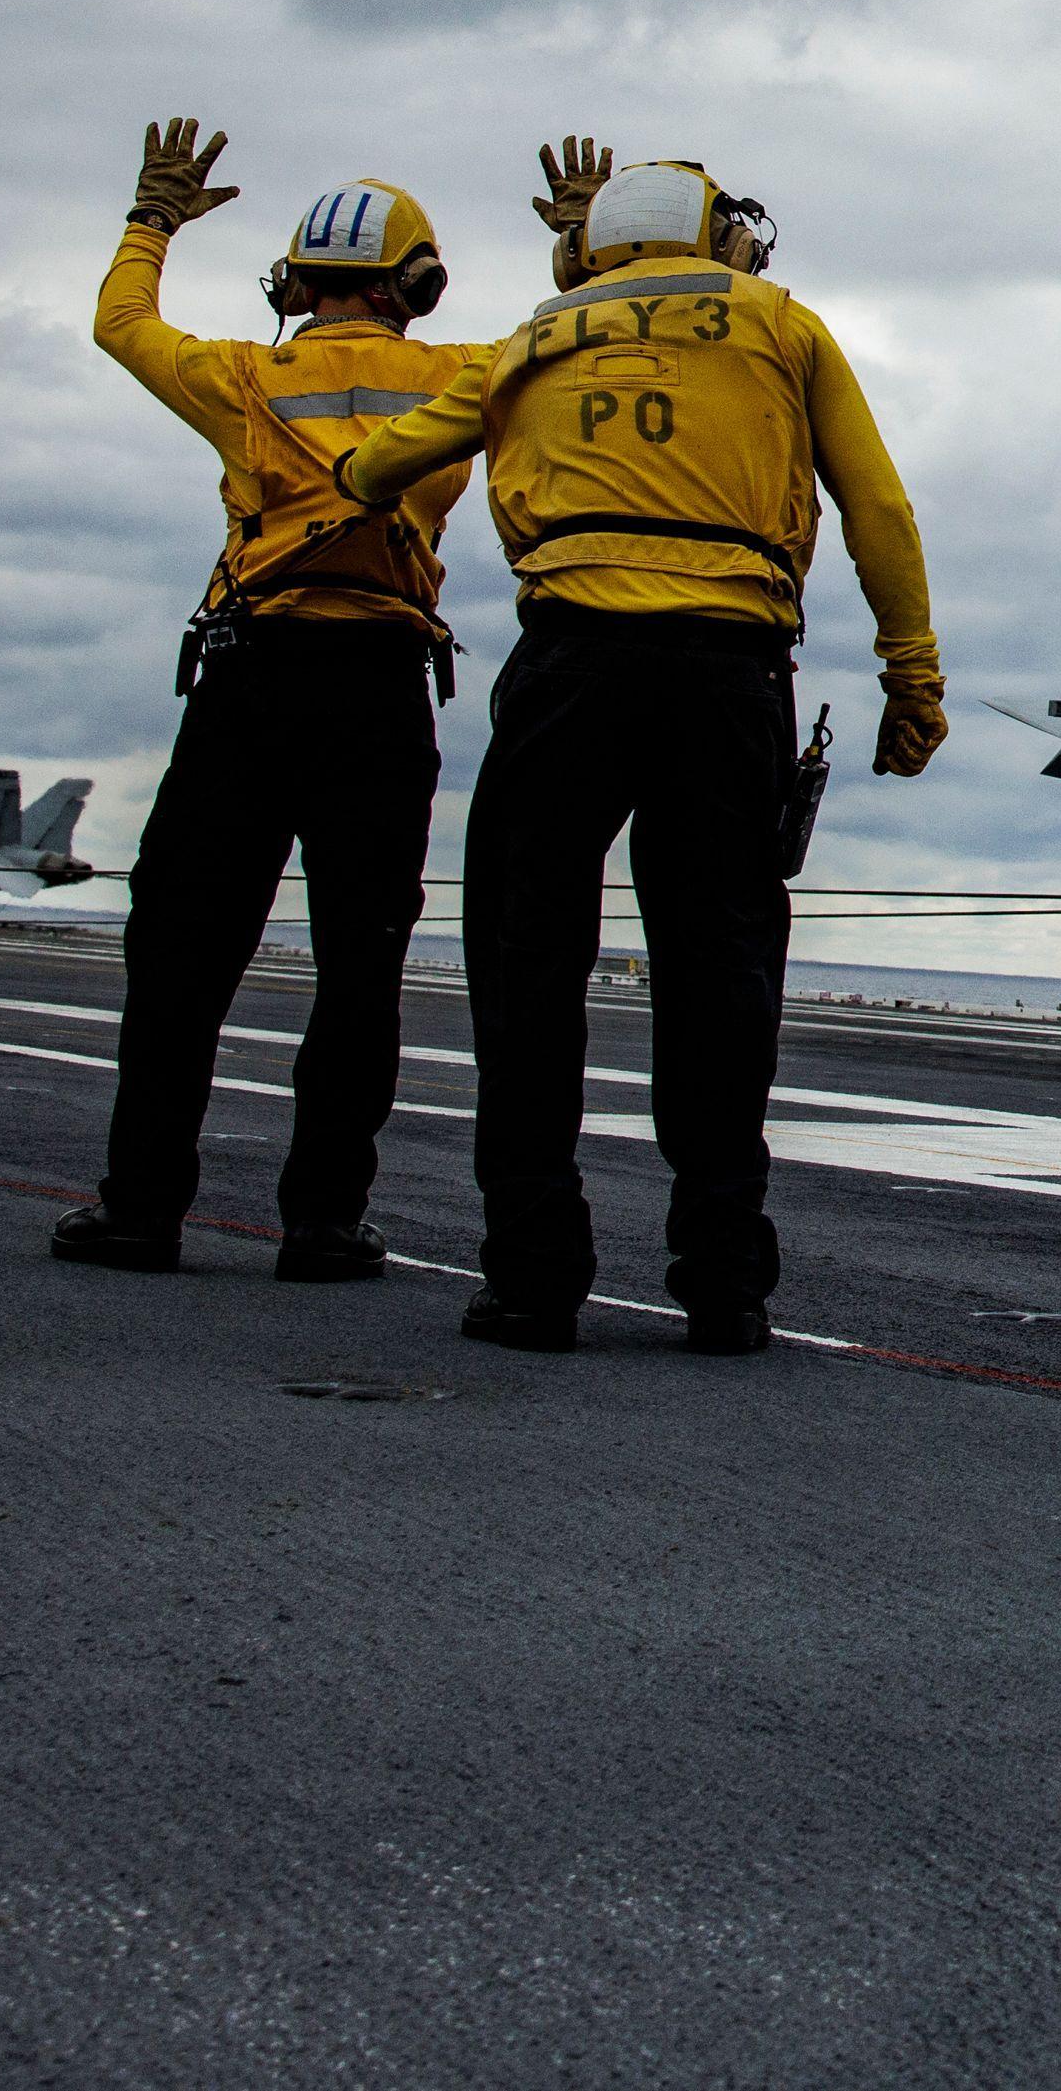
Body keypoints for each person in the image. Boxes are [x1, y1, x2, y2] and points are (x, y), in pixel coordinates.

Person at [337, 156, 942, 1356]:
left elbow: (382, 463)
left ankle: (531, 1275)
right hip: (728, 669)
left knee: (526, 963)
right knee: (720, 972)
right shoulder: (778, 323)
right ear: (715, 233)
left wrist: (357, 479)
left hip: (570, 665)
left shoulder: (534, 336)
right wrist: (908, 670)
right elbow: (879, 506)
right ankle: (722, 1279)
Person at [44, 129, 600, 1279]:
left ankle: (143, 1209)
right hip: (380, 688)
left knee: (182, 954)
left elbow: (121, 328)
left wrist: (153, 219)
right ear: (421, 286)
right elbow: (573, 342)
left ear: (291, 282)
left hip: (250, 677)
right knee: (360, 965)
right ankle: (324, 1221)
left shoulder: (246, 374)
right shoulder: (468, 372)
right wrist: (579, 243)